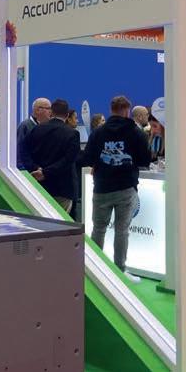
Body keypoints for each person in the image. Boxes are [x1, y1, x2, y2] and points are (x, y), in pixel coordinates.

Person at [80, 96, 151, 275]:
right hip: (126, 187)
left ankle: (95, 269)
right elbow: (145, 160)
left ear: (111, 109)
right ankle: (120, 270)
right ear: (127, 110)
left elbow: (87, 158)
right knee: (122, 230)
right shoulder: (136, 132)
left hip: (102, 187)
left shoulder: (98, 132)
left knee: (98, 229)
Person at [24, 99, 80, 213]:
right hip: (62, 188)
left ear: (51, 112)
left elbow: (25, 153)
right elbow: (68, 160)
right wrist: (45, 172)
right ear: (67, 115)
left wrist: (37, 169)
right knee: (61, 220)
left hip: (39, 186)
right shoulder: (72, 133)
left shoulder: (36, 129)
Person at [16, 98, 51, 170]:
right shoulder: (25, 126)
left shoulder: (49, 126)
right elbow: (20, 151)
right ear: (38, 110)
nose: (50, 112)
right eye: (48, 108)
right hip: (29, 171)